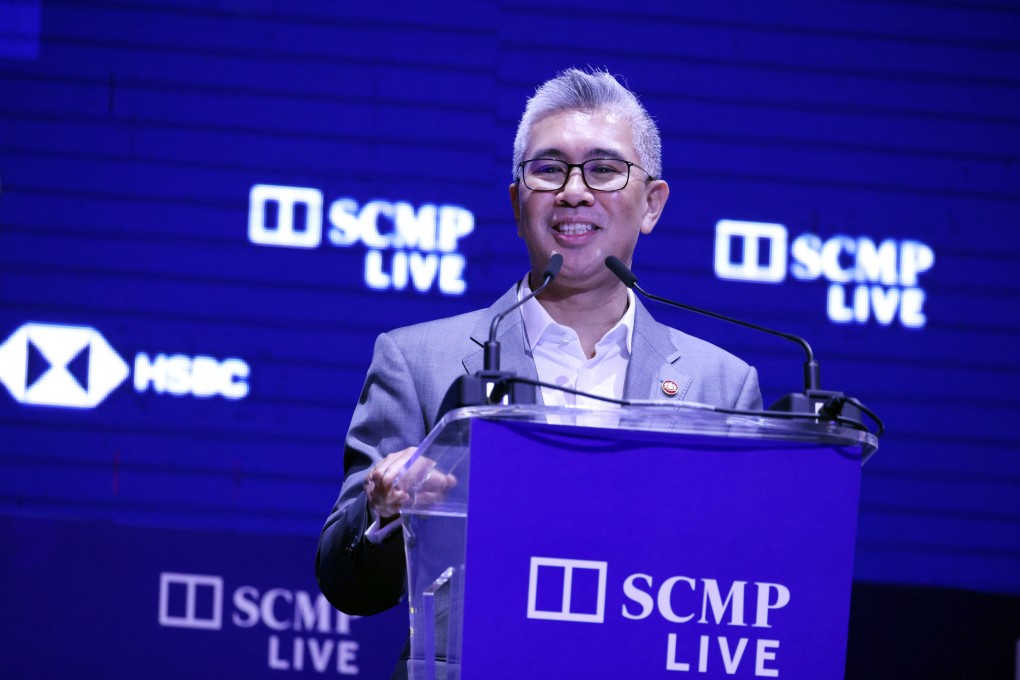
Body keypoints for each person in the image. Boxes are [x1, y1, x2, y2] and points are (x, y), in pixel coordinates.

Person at [315, 66, 762, 673]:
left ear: (652, 204)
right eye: (548, 169)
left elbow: (744, 584)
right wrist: (383, 513)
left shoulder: (722, 384)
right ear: (517, 200)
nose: (574, 192)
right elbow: (349, 585)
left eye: (604, 169)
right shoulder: (420, 362)